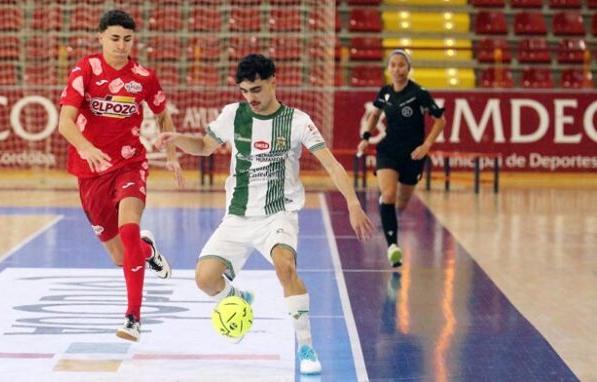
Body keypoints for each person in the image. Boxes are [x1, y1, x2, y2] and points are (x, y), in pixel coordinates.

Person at [154, 54, 374, 375]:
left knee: (285, 267)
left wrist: (353, 203)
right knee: (204, 279)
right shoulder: (233, 115)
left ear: (273, 80)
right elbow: (203, 146)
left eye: (256, 89)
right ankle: (239, 297)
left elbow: (331, 164)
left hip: (278, 214)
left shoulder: (297, 121)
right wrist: (178, 140)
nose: (251, 97)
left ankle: (306, 346)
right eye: (244, 90)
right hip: (237, 216)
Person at [58, 9, 185, 342]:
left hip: (130, 164)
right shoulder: (84, 70)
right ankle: (147, 251)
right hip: (90, 172)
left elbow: (162, 116)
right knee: (120, 254)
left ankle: (133, 318)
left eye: (127, 39)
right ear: (101, 37)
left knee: (128, 229)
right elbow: (65, 122)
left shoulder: (143, 76)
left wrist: (171, 155)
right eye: (114, 38)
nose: (121, 45)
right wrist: (85, 148)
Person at [357, 49, 446, 267]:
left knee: (402, 201)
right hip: (388, 150)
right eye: (393, 65)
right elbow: (375, 114)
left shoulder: (419, 93)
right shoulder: (385, 91)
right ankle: (393, 247)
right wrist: (366, 137)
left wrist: (426, 145)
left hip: (413, 155)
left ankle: (389, 216)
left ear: (408, 68)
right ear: (388, 69)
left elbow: (440, 120)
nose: (397, 69)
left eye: (401, 65)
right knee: (388, 194)